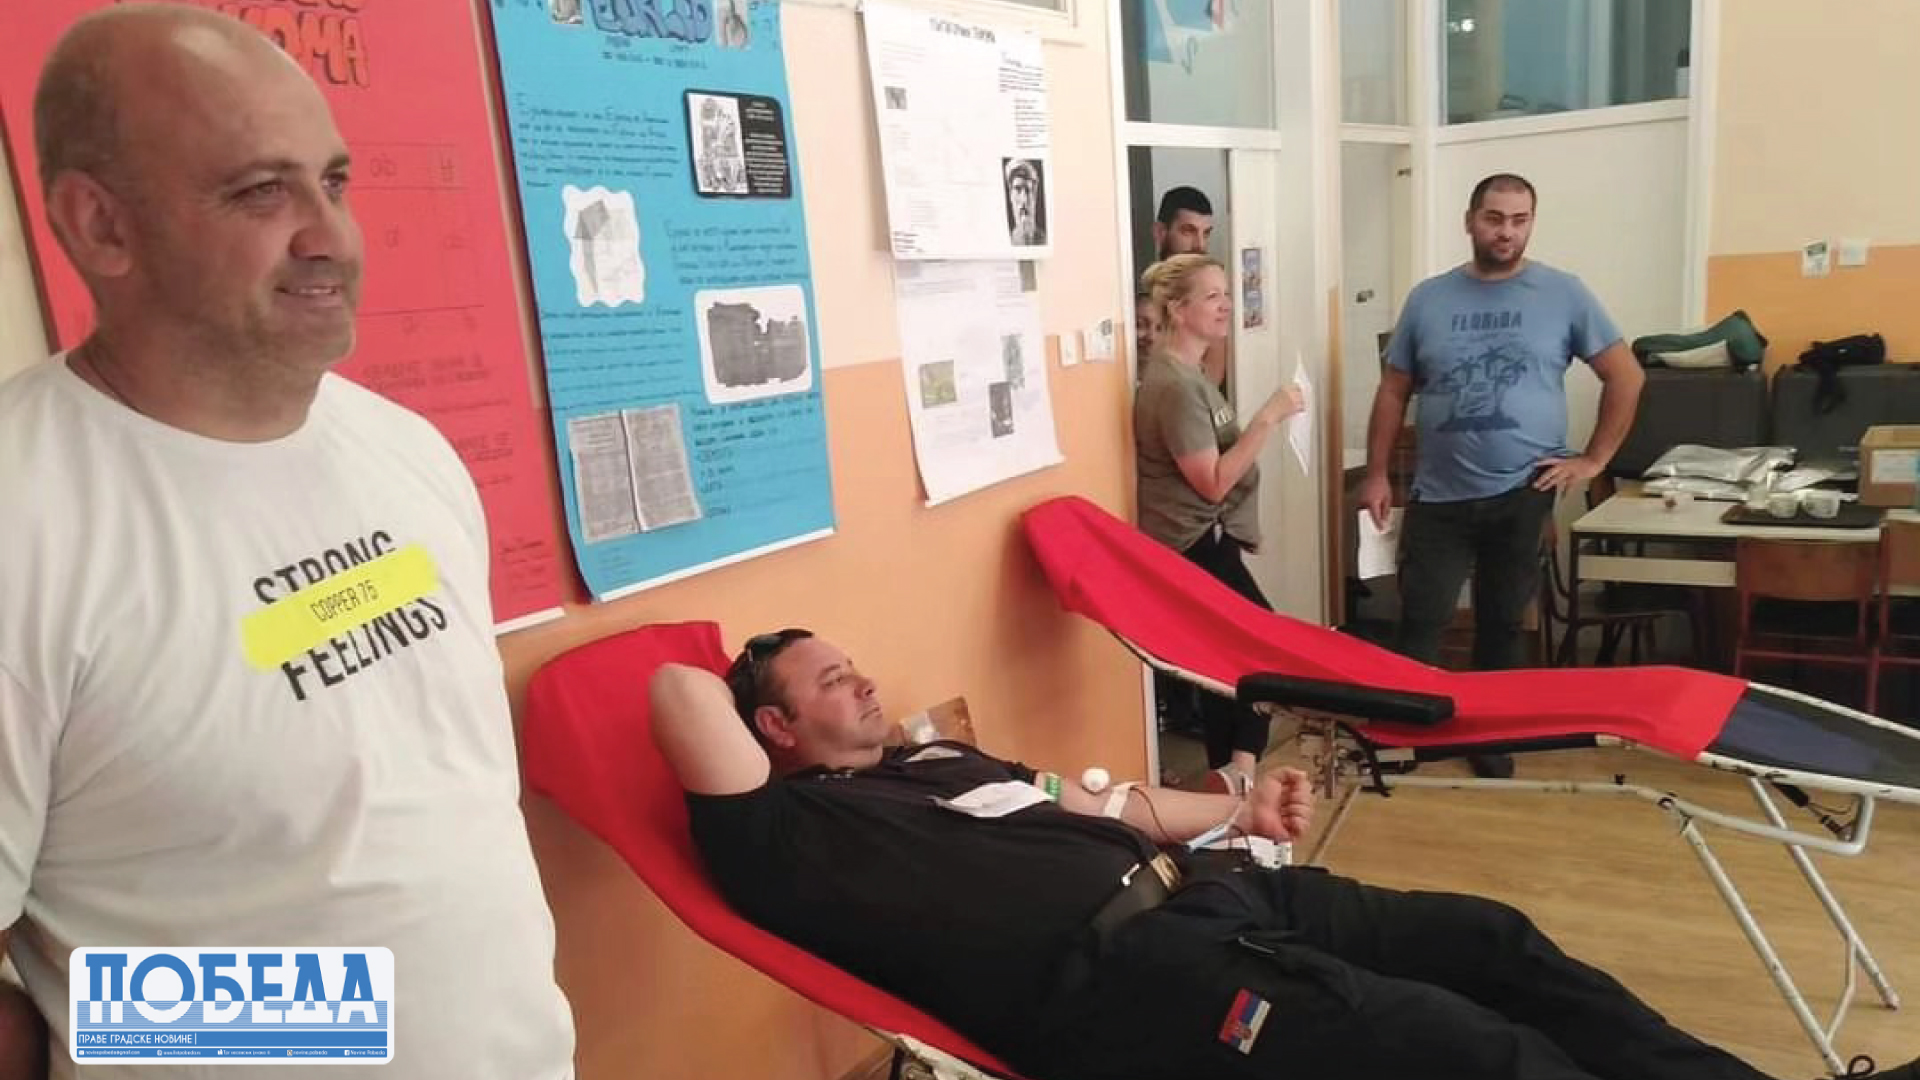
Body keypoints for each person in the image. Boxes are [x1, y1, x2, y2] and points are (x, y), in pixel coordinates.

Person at [0, 7, 575, 1077]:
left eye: (335, 183)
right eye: (262, 191)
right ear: (100, 226)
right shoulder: (24, 515)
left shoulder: (406, 448)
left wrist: (418, 1020)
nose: (331, 238)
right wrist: (284, 1029)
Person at [652, 628, 1919, 1080]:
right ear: (774, 730)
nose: (861, 680)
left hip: (1213, 894)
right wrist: (742, 674)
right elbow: (673, 686)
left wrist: (1234, 813)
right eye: (827, 680)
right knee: (1469, 1050)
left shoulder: (934, 762)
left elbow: (1099, 803)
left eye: (852, 663)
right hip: (1137, 985)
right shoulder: (783, 837)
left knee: (1494, 941)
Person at [1358, 173, 1645, 779]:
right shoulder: (1428, 299)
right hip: (1438, 495)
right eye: (1494, 218)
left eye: (1519, 220)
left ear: (1531, 223)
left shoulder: (1563, 293)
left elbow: (1626, 376)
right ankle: (1403, 734)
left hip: (1522, 492)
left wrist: (1593, 460)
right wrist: (1377, 474)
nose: (1506, 231)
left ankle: (1488, 735)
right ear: (1470, 221)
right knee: (1422, 619)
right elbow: (1392, 391)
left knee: (1502, 623)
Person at [1134, 255, 1304, 791]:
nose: (1226, 304)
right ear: (1177, 309)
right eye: (1212, 296)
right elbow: (1211, 480)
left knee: (1224, 663)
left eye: (1226, 293)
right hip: (1190, 547)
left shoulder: (1195, 375)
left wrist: (1240, 527)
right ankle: (1239, 769)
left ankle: (1234, 773)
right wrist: (1268, 417)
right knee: (1261, 647)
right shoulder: (1174, 386)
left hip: (1211, 539)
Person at [1150, 185, 1227, 391]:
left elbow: (1211, 380)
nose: (1199, 245)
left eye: (1206, 233)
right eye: (1188, 231)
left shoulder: (1209, 295)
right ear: (1160, 232)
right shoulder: (1141, 293)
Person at [1006, 158, 1046, 246]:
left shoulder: (1045, 240)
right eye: (1017, 189)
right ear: (1010, 195)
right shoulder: (1005, 240)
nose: (1024, 199)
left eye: (1028, 190)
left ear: (1034, 196)